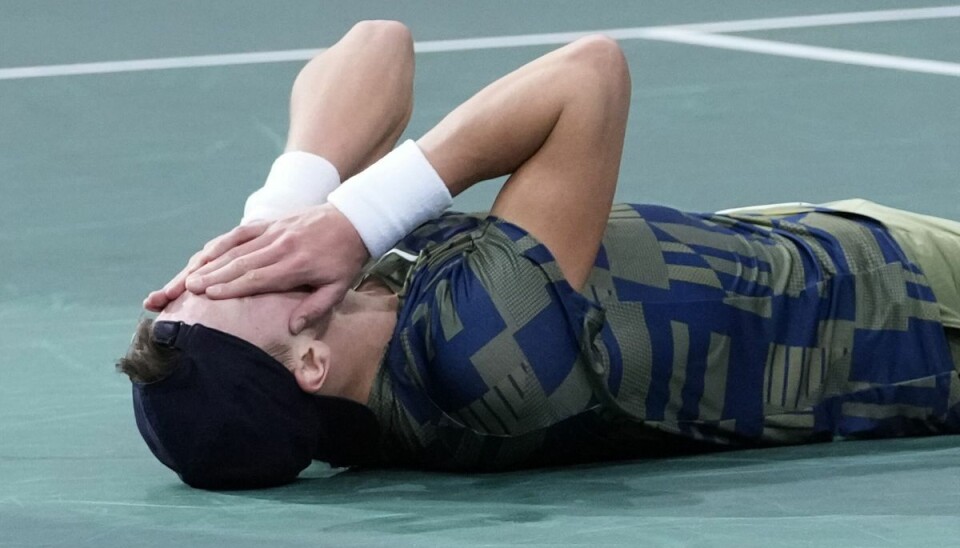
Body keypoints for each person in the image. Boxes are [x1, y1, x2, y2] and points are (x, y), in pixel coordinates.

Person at [118, 20, 960, 490]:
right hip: (910, 303)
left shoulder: (340, 322)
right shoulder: (478, 356)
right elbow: (588, 73)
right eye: (220, 293)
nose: (214, 267)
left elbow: (377, 43)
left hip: (810, 246)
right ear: (306, 361)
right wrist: (352, 219)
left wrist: (284, 204)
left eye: (193, 280)